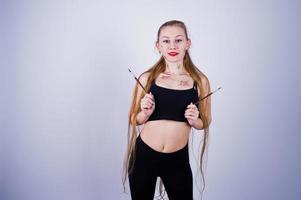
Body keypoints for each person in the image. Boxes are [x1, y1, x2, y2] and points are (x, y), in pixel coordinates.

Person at [122, 20, 212, 200]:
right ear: (158, 46)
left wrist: (195, 121)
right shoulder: (147, 78)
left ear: (188, 43)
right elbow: (134, 119)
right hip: (143, 156)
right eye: (166, 41)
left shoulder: (200, 81)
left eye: (178, 40)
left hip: (177, 160)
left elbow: (205, 122)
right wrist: (145, 113)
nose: (172, 46)